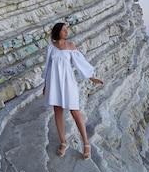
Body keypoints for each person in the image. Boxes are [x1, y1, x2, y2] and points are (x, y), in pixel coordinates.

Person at [42, 22, 103, 160]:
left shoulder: (71, 46)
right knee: (58, 111)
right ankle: (63, 142)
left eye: (66, 30)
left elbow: (80, 63)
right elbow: (48, 66)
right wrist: (46, 85)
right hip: (54, 82)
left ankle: (86, 144)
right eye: (63, 30)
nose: (66, 32)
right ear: (57, 32)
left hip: (68, 82)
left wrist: (91, 77)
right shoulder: (51, 47)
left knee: (75, 111)